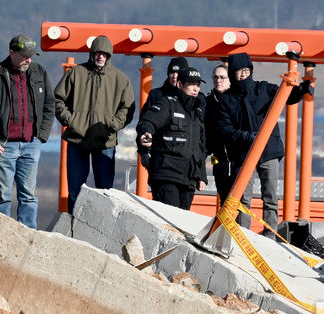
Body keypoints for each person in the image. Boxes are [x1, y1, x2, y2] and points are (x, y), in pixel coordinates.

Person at [216, 53, 312, 237]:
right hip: (244, 154)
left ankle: (270, 236)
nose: (243, 74)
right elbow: (225, 129)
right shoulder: (227, 99)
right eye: (239, 71)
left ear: (251, 70)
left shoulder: (264, 89)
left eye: (246, 70)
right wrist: (247, 137)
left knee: (270, 196)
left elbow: (287, 96)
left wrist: (302, 89)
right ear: (233, 74)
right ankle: (242, 235)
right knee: (243, 198)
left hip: (268, 152)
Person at [0, 34, 55, 229]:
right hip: (2, 146)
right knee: (3, 195)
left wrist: (41, 135)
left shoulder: (39, 72)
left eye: (31, 55)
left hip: (31, 143)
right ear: (11, 53)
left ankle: (28, 234)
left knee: (28, 195)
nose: (29, 59)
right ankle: (2, 234)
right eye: (25, 55)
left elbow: (50, 105)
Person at [54, 35, 136, 213]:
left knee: (105, 192)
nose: (101, 57)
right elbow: (58, 99)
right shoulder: (76, 73)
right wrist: (70, 120)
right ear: (92, 54)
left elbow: (128, 108)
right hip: (77, 140)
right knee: (75, 190)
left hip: (105, 141)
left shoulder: (120, 79)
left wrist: (114, 124)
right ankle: (74, 229)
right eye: (98, 53)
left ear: (109, 56)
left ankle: (101, 230)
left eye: (105, 54)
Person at [136, 67, 208, 210]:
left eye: (198, 85)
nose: (196, 88)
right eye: (191, 84)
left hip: (189, 179)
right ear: (180, 85)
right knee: (168, 220)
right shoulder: (167, 103)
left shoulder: (197, 112)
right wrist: (146, 134)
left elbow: (200, 147)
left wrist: (202, 175)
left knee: (182, 224)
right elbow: (147, 122)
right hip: (166, 175)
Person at [204, 63, 231, 204]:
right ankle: (224, 227)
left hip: (237, 159)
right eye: (215, 77)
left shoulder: (238, 100)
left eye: (222, 77)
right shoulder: (208, 103)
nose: (218, 80)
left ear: (230, 79)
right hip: (219, 158)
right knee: (224, 199)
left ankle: (241, 227)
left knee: (241, 200)